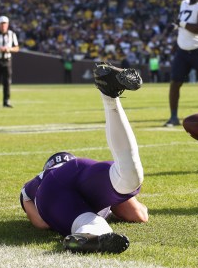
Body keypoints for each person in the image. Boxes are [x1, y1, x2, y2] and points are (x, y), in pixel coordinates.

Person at [20, 63, 147, 254]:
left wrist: (67, 215)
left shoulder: (34, 185)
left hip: (51, 192)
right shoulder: (79, 172)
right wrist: (111, 204)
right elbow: (138, 215)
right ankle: (109, 96)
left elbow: (41, 223)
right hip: (80, 168)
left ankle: (88, 233)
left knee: (92, 224)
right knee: (128, 179)